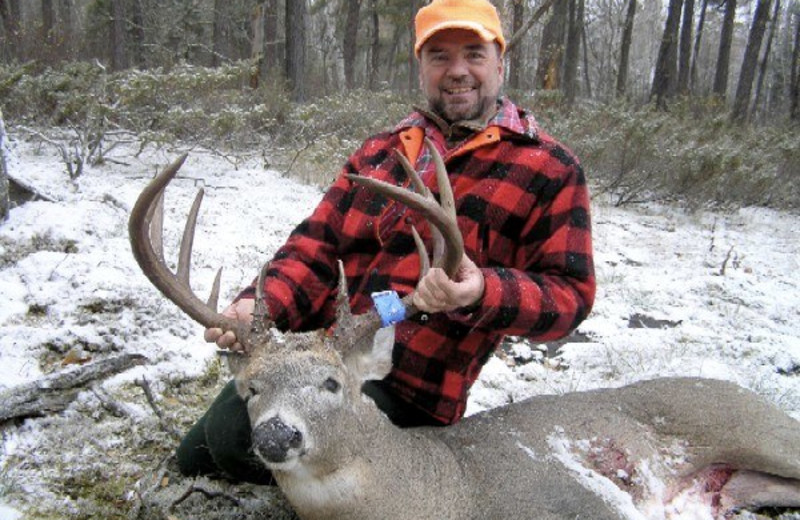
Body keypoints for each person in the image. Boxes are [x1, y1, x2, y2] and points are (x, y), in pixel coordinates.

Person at [176, 0, 595, 484]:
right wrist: (258, 305)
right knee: (198, 453)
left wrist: (483, 292)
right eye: (439, 55)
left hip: (412, 388)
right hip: (319, 358)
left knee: (233, 441)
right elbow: (315, 247)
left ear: (500, 62)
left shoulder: (549, 168)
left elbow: (570, 297)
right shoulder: (381, 151)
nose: (457, 71)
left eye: (474, 54)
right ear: (421, 67)